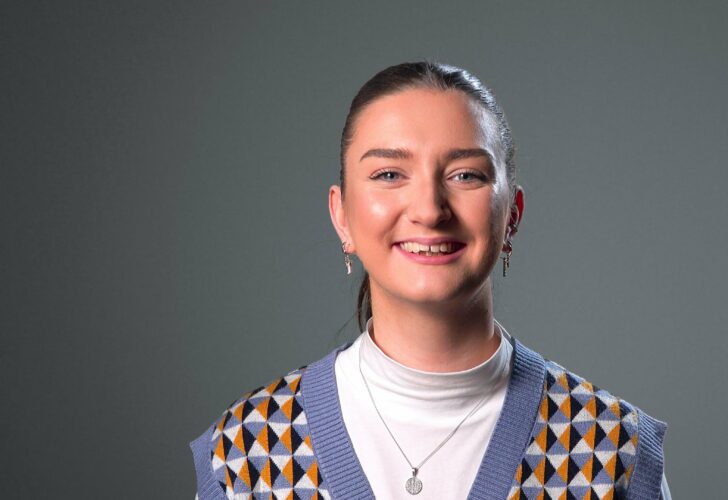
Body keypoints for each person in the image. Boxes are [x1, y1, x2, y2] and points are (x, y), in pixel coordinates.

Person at [189, 61, 670, 500]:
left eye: (465, 175)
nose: (428, 210)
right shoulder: (247, 450)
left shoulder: (609, 447)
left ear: (512, 216)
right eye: (389, 173)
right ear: (342, 216)